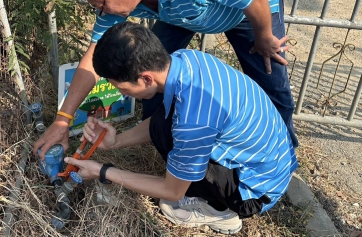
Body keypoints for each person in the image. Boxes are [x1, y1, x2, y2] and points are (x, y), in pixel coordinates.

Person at [34, 0, 298, 161]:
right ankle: (166, 145)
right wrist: (62, 120)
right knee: (150, 71)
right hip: (182, 11)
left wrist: (263, 38)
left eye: (100, 5)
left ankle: (281, 154)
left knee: (271, 80)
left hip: (248, 6)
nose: (99, 12)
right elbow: (93, 58)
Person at [65, 22, 298, 234]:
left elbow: (172, 191)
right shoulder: (185, 60)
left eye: (122, 87)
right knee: (162, 121)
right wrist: (116, 141)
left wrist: (102, 171)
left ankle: (220, 211)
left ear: (146, 78)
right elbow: (163, 122)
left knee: (176, 174)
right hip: (273, 161)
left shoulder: (194, 120)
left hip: (256, 191)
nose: (120, 93)